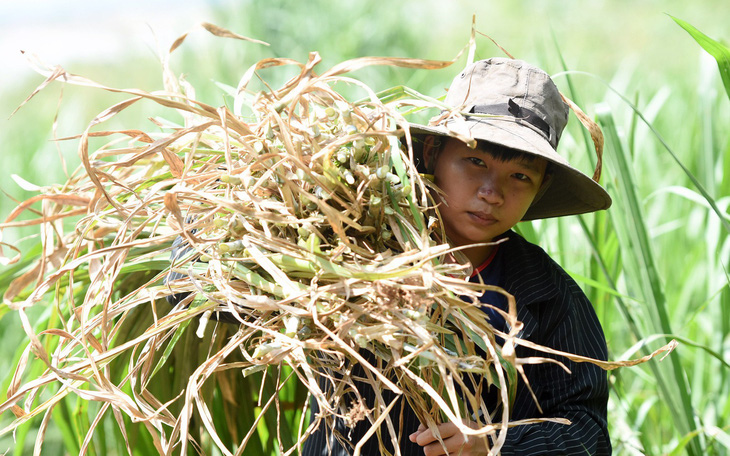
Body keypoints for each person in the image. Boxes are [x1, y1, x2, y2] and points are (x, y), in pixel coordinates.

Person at [302, 57, 612, 455]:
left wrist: (495, 444)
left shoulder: (552, 300)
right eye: (475, 162)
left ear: (542, 184)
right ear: (432, 153)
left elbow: (587, 436)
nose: (492, 193)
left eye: (520, 176)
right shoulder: (348, 246)